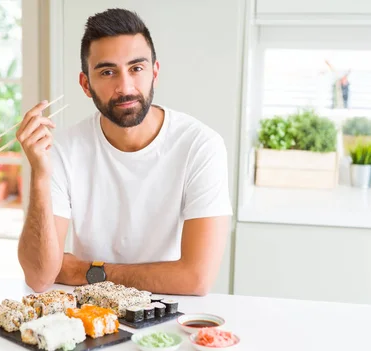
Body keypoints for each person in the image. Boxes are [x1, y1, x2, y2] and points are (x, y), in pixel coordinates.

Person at [16, 8, 232, 295]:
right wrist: (40, 175)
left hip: (166, 312)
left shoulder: (201, 146)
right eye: (107, 72)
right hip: (88, 317)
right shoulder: (63, 150)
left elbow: (196, 279)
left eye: (136, 68)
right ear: (86, 84)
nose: (125, 87)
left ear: (154, 73)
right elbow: (40, 278)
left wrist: (90, 271)